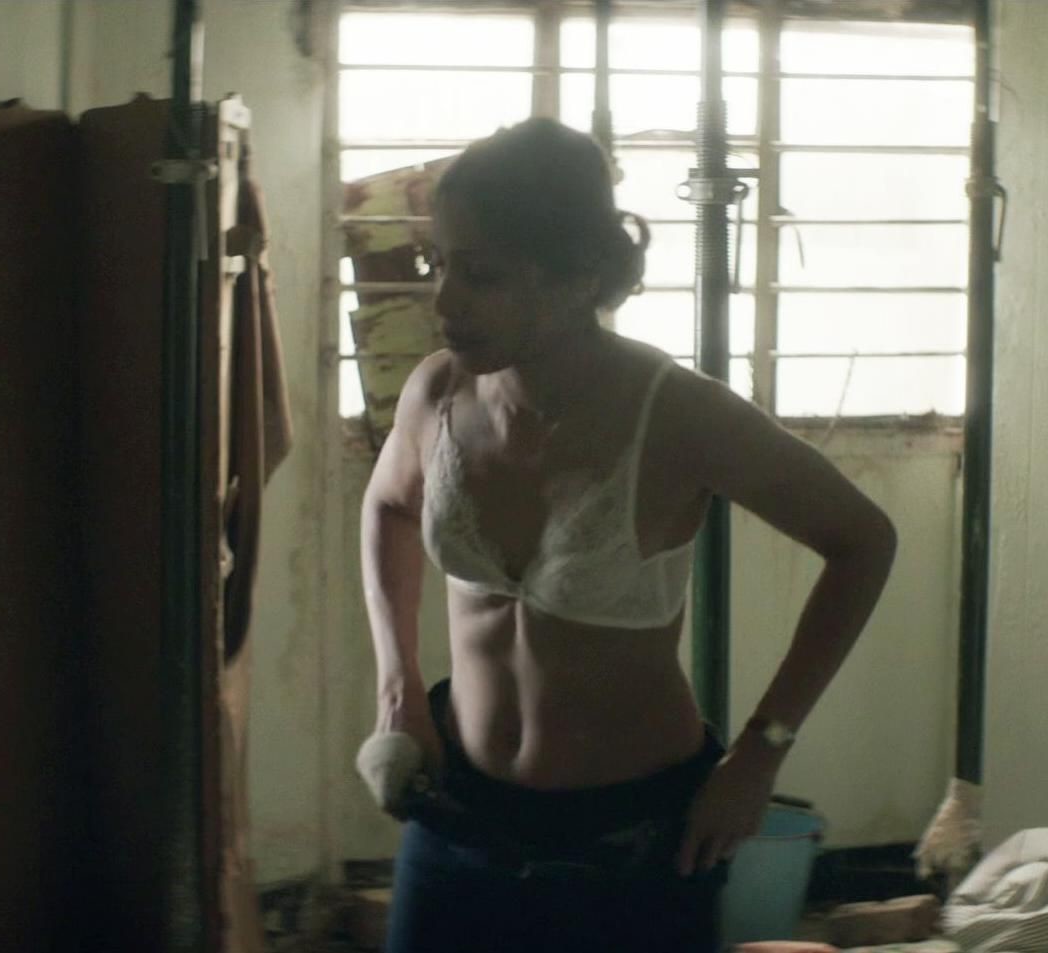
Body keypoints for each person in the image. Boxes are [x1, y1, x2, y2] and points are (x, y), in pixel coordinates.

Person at [357, 117, 898, 953]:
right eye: (441, 264)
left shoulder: (678, 415)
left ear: (578, 275)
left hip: (633, 844)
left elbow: (862, 541)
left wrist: (761, 753)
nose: (446, 300)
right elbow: (389, 507)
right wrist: (397, 689)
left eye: (482, 273)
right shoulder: (437, 395)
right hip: (458, 816)